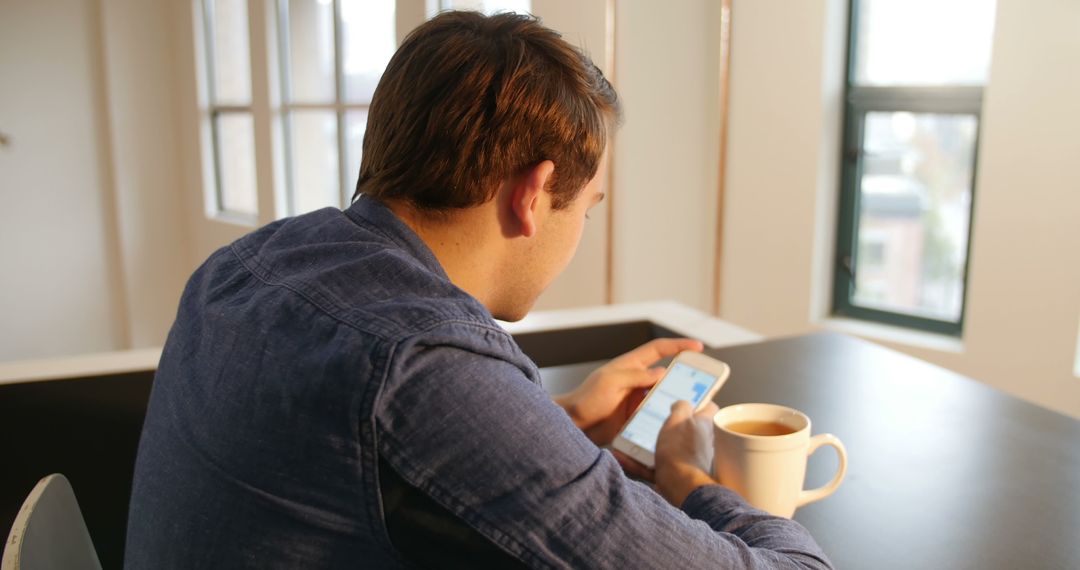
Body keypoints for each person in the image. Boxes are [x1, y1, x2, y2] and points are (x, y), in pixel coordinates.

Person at [125, 10, 833, 569]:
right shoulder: (423, 367)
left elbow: (365, 453)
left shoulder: (242, 265)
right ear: (531, 195)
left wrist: (556, 422)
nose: (582, 227)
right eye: (588, 207)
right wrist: (691, 477)